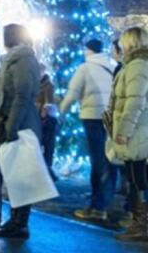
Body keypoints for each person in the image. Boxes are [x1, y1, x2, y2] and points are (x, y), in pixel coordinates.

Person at [0, 23, 41, 239]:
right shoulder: (14, 59)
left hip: (21, 123)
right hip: (15, 120)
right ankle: (15, 219)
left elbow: (22, 95)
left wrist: (11, 126)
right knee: (14, 173)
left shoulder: (22, 59)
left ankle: (20, 223)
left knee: (21, 174)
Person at [60, 39, 117, 221]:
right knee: (109, 158)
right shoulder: (112, 67)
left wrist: (62, 112)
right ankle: (104, 200)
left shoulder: (85, 68)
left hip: (92, 117)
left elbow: (72, 92)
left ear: (88, 50)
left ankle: (97, 206)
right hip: (111, 117)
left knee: (97, 160)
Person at [111, 27, 148, 242]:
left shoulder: (137, 67)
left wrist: (124, 131)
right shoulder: (137, 65)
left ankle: (140, 225)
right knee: (138, 178)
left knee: (137, 180)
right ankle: (139, 222)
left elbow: (135, 101)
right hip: (140, 130)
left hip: (136, 133)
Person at [37, 64, 59, 181]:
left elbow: (48, 103)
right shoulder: (36, 83)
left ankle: (48, 171)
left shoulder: (47, 85)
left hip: (46, 120)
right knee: (43, 146)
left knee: (47, 146)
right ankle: (46, 171)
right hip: (39, 119)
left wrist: (44, 111)